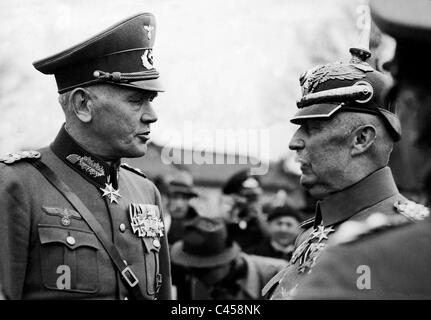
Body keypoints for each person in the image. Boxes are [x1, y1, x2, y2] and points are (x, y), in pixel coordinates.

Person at [0, 13, 171, 300]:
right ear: (83, 105)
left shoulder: (145, 192)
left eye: (151, 101)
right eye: (135, 100)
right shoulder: (15, 185)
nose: (151, 116)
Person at [262, 34, 428, 300]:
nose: (294, 142)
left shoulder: (412, 238)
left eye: (312, 128)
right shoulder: (310, 234)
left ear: (361, 139)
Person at [170, 216, 288, 300]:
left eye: (204, 271)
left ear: (227, 260)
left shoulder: (279, 275)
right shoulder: (200, 283)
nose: (197, 278)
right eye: (191, 270)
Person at [222, 169, 270, 253]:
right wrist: (234, 211)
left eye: (253, 196)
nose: (249, 201)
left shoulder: (265, 214)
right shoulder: (229, 215)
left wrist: (258, 215)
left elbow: (270, 239)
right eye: (246, 196)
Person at [166, 172, 200, 245]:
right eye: (175, 197)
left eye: (184, 198)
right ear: (167, 198)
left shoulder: (197, 226)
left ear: (189, 199)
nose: (179, 204)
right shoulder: (156, 221)